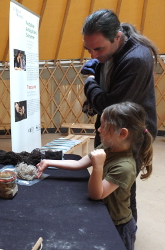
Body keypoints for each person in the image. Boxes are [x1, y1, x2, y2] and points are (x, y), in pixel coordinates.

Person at [36, 102, 153, 250]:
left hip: (118, 224)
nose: (98, 129)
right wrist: (48, 162)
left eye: (104, 126)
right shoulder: (108, 147)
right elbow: (79, 163)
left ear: (122, 133)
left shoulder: (125, 167)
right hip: (105, 215)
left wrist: (98, 167)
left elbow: (96, 194)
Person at [81, 9, 158, 221]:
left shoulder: (136, 59)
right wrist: (96, 68)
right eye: (88, 49)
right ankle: (112, 224)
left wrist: (89, 83)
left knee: (124, 189)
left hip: (129, 135)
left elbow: (108, 105)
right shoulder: (112, 51)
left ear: (117, 37)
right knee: (108, 180)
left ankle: (125, 229)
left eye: (98, 48)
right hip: (112, 130)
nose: (93, 55)